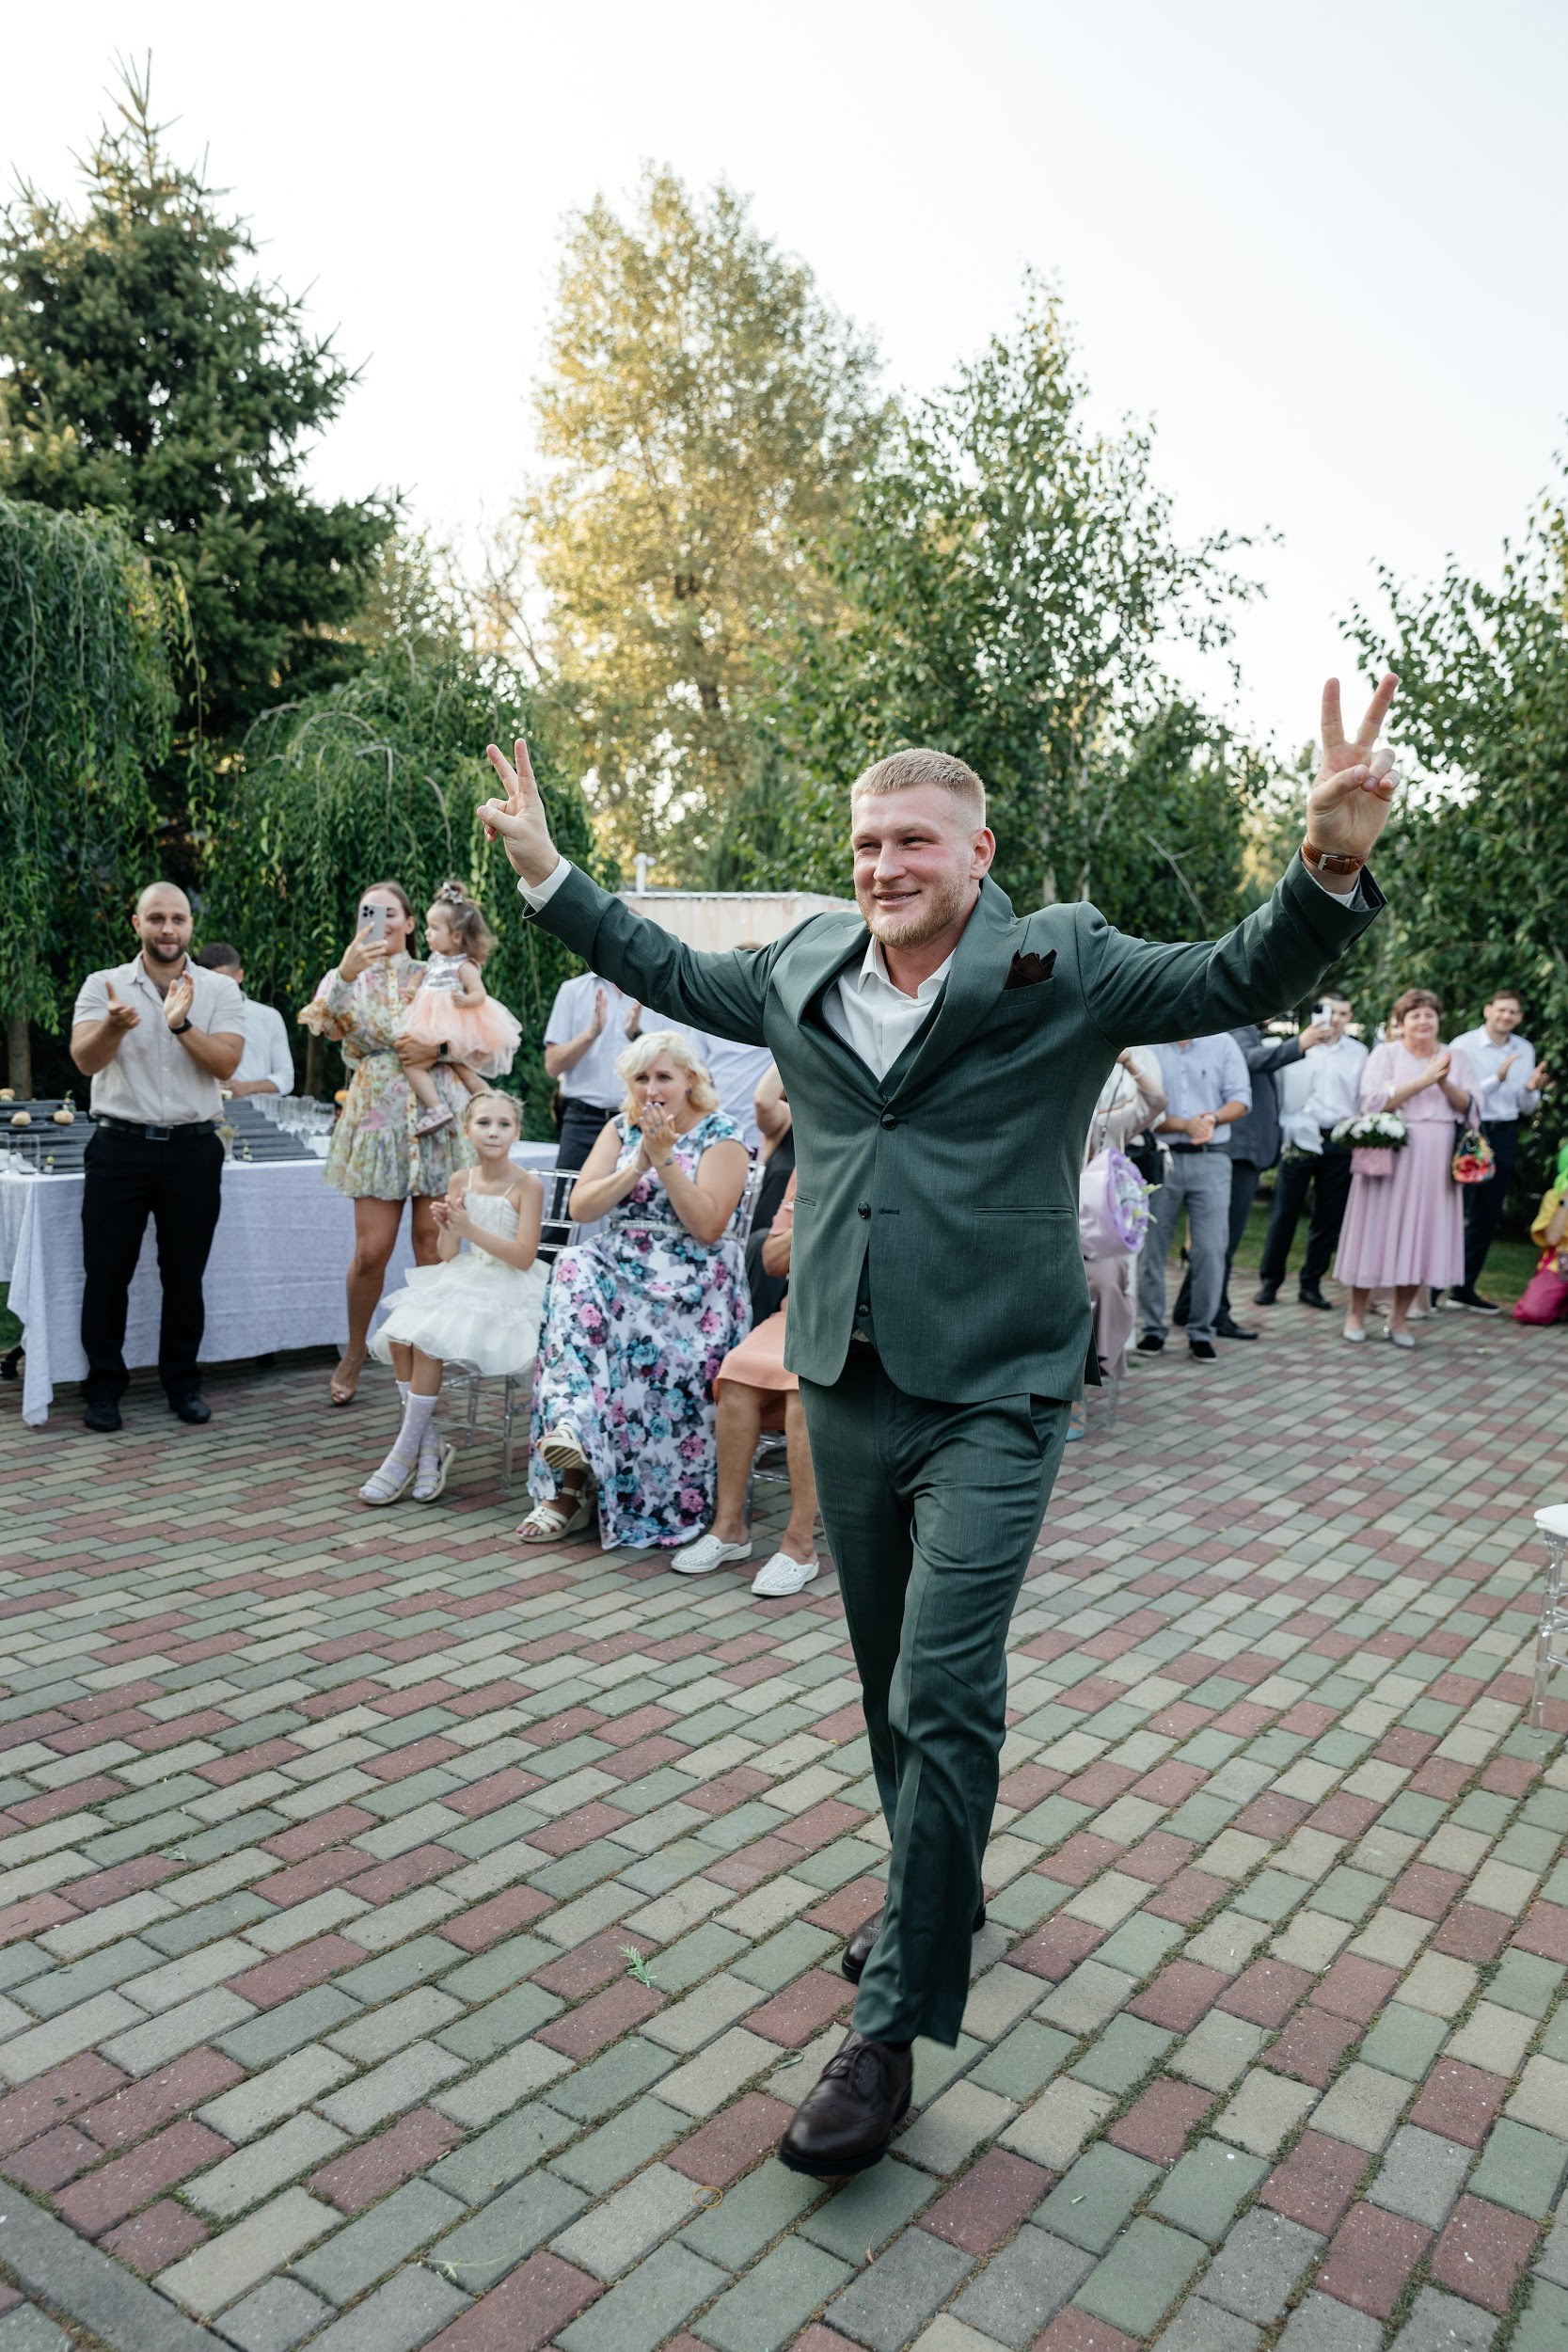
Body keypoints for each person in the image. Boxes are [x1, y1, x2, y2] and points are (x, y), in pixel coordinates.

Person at [479, 669, 1395, 2179]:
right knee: (883, 1683)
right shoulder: (805, 964)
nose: (883, 865)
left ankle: (889, 2033)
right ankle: (939, 1884)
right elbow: (664, 965)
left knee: (946, 1685)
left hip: (994, 1386)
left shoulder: (1060, 961)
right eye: (866, 843)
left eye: (913, 840)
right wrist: (547, 874)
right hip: (843, 1373)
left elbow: (1230, 974)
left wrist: (1326, 866)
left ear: (976, 852)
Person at [518, 1029, 751, 1549]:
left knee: (591, 1297)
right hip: (620, 1267)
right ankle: (572, 1433)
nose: (651, 1088)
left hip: (692, 1283)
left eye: (663, 1076)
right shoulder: (620, 1128)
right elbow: (582, 1208)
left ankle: (575, 1482)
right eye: (641, 1078)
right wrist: (638, 1163)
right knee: (573, 1263)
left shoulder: (722, 1133)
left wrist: (664, 1159)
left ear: (690, 1080)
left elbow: (708, 1227)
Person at [70, 883, 245, 1432]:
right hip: (119, 1147)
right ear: (137, 924)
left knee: (185, 1276)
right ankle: (103, 1389)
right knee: (106, 1274)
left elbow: (226, 1064)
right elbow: (84, 1061)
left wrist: (180, 1025)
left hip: (194, 1149)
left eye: (178, 919)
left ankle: (183, 1384)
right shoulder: (104, 985)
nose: (168, 929)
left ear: (190, 925)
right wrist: (113, 1026)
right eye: (156, 918)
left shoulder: (219, 989)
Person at [297, 882, 472, 1406]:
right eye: (370, 913)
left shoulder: (436, 971)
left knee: (431, 1247)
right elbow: (325, 1027)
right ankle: (355, 1349)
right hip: (377, 1120)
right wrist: (347, 973)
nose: (382, 922)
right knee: (371, 1252)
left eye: (392, 913)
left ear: (411, 923)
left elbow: (477, 1035)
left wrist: (439, 1047)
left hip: (436, 1118)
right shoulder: (346, 975)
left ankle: (427, 1358)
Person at [361, 1092, 546, 1504]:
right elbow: (447, 1255)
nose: (493, 1132)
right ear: (467, 1130)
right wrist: (448, 1227)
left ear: (516, 1132)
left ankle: (402, 1455)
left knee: (427, 1342)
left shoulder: (528, 1184)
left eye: (503, 1124)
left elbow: (523, 1256)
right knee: (400, 1337)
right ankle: (429, 1449)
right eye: (484, 1123)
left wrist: (470, 1229)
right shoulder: (461, 1180)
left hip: (508, 1284)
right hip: (467, 1273)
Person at [672, 1171, 822, 1596]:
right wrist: (827, 1213)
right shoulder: (814, 1163)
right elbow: (773, 1260)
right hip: (798, 1313)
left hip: (860, 1322)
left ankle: (800, 1544)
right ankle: (730, 1527)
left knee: (805, 1387)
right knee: (737, 1372)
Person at [1172, 1015, 1334, 1337]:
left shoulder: (1246, 1029)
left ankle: (1188, 1307)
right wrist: (1299, 1044)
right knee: (1224, 1240)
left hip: (1244, 1151)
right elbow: (1251, 1060)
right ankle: (1216, 1314)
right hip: (1237, 1151)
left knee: (1220, 1238)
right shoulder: (1234, 1027)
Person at [1337, 987, 1474, 1346]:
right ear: (1401, 1022)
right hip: (1389, 1155)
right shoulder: (1386, 1053)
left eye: (1430, 1014)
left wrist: (1443, 1082)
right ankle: (1355, 1312)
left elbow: (1472, 1108)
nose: (1423, 1021)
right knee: (1374, 1232)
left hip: (1437, 1159)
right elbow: (1371, 1101)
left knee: (1423, 1237)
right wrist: (1423, 1081)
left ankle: (1399, 1319)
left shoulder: (1456, 1056)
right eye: (1415, 1015)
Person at [1136, 1033, 1251, 1360]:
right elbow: (1141, 1107)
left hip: (1212, 1157)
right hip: (1160, 1157)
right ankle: (1153, 1330)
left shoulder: (1224, 1043)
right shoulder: (1148, 1045)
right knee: (1151, 1248)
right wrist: (1185, 1125)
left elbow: (1241, 1098)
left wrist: (1212, 1118)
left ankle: (1201, 1331)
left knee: (1211, 1249)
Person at [1254, 994, 1368, 1309]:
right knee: (1285, 1212)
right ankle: (1270, 1281)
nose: (1335, 1019)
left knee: (1328, 1217)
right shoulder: (1298, 1047)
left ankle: (1311, 1283)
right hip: (1300, 1136)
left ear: (1349, 1016)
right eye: (1329, 1012)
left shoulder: (1359, 1053)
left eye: (1342, 1013)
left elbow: (1362, 1097)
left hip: (1339, 1137)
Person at [1075, 1047, 1166, 1432]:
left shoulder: (1106, 1124)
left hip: (1095, 1240)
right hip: (1045, 1235)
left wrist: (1128, 1062)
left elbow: (1155, 1101)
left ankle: (1083, 1379)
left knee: (1106, 1283)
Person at [1449, 990, 1551, 1311]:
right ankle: (1432, 1289)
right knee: (1455, 1209)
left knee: (1487, 1213)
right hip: (1470, 1131)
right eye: (1501, 1010)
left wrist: (1531, 1090)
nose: (1506, 1016)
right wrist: (1497, 1078)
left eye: (1513, 1012)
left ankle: (1463, 1288)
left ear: (1519, 1017)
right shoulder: (1463, 1045)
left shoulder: (1525, 1049)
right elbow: (1456, 1095)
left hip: (1505, 1132)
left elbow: (1525, 1106)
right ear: (1487, 1010)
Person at [395, 883, 522, 1136]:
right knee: (424, 1063)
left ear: (456, 936)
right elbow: (419, 978)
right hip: (430, 1022)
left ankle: (465, 1107)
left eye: (434, 928)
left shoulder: (464, 966)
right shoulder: (433, 960)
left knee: (452, 1068)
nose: (427, 933)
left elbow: (479, 992)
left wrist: (467, 1000)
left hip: (454, 1023)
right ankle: (448, 1106)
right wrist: (411, 991)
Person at [543, 969, 654, 1171]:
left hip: (639, 1120)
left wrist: (637, 1037)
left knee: (638, 1191)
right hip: (582, 1120)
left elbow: (674, 1065)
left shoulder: (657, 994)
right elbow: (553, 1066)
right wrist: (590, 1035)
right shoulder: (572, 990)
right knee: (568, 1190)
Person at [194, 945, 295, 1096]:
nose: (218, 988)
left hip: (255, 1107)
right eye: (211, 981)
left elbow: (285, 1078)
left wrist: (246, 1087)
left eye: (224, 981)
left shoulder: (268, 1017)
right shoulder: (191, 1016)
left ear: (239, 975)